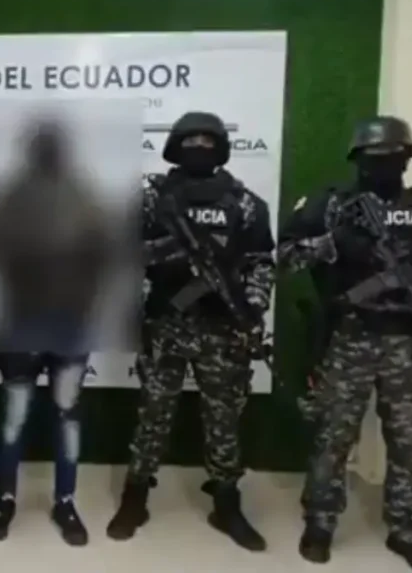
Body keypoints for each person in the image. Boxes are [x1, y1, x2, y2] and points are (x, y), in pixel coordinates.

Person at [105, 111, 275, 551]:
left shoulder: (247, 204)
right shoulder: (149, 200)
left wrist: (252, 305)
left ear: (221, 148)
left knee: (224, 420)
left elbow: (260, 262)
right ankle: (135, 497)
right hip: (165, 324)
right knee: (153, 415)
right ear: (175, 147)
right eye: (191, 141)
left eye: (207, 141)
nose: (199, 147)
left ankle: (226, 503)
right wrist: (166, 255)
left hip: (222, 329)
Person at [279, 116, 412, 573]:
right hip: (350, 335)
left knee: (411, 440)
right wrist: (333, 245)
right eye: (375, 157)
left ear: (408, 158)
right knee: (333, 434)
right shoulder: (332, 206)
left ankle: (407, 529)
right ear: (357, 160)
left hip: (409, 341)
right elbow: (284, 256)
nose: (385, 163)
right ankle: (321, 521)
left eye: (394, 155)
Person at [0, 119, 108, 546]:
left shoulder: (82, 195)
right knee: (16, 418)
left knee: (65, 417)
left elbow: (107, 254)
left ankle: (65, 501)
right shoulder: (11, 196)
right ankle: (6, 498)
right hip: (22, 324)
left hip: (69, 325)